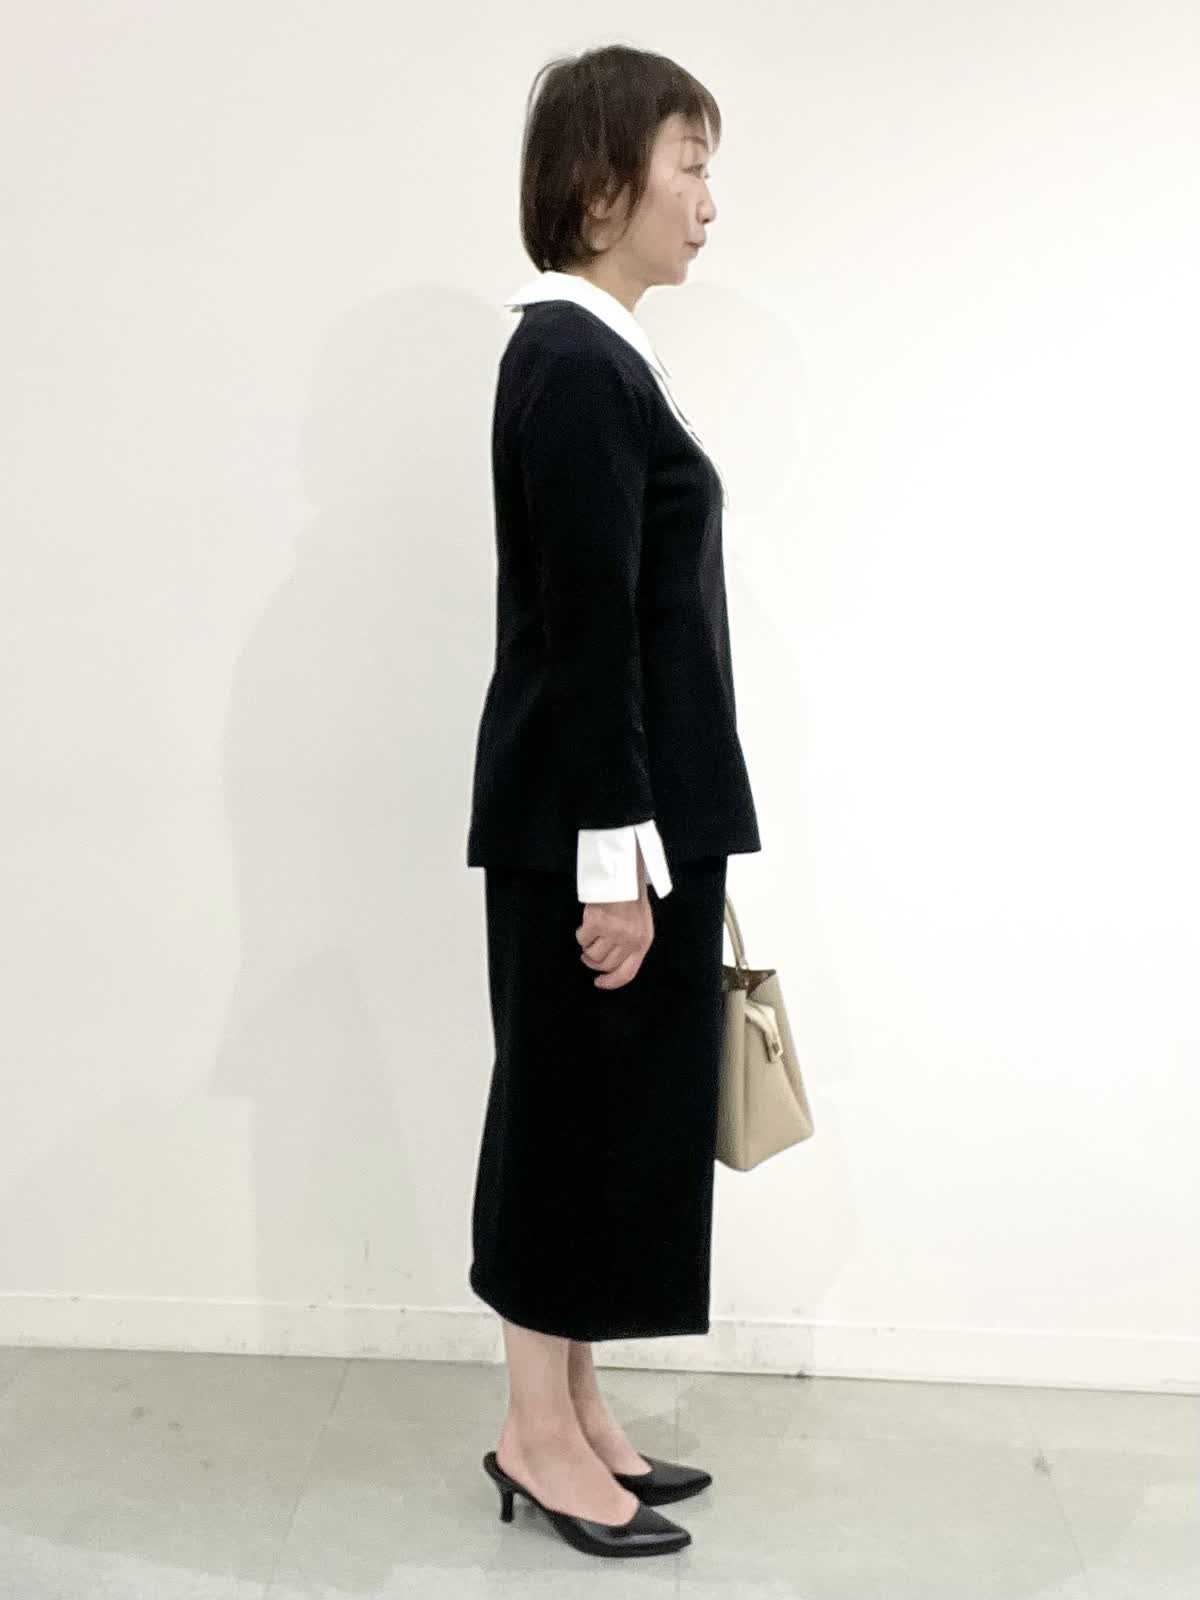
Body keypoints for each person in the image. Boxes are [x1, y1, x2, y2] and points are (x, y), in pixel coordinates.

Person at [465, 43, 761, 1559]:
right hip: (599, 826)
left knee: (601, 1120)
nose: (708, 201)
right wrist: (609, 865)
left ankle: (575, 1410)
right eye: (688, 165)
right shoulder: (574, 365)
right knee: (568, 1123)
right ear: (599, 190)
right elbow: (589, 634)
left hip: (630, 816)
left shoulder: (600, 359)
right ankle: (533, 1427)